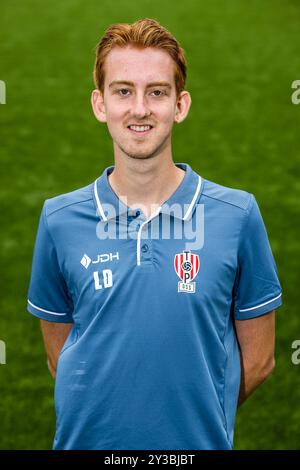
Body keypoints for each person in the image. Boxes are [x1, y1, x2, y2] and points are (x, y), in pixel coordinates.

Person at [26, 18, 283, 450]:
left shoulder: (238, 215)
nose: (140, 109)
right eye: (123, 91)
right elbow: (64, 358)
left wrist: (190, 417)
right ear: (99, 103)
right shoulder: (58, 220)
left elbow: (258, 362)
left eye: (157, 92)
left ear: (180, 105)